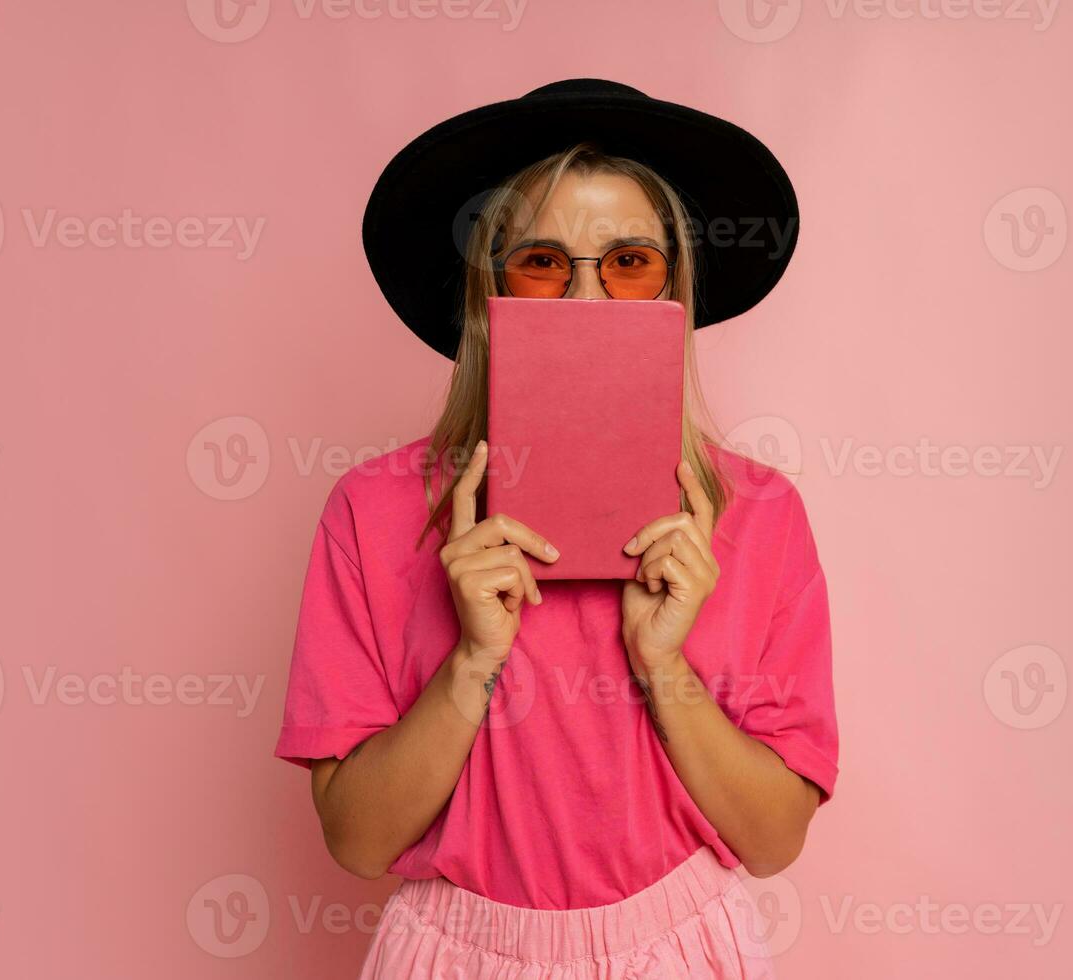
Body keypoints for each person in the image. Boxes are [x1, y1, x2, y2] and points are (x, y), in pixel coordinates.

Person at [275, 78, 839, 979]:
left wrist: (664, 667)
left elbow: (773, 842)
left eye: (630, 263)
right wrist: (471, 659)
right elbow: (357, 842)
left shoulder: (759, 515)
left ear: (676, 293)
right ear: (487, 296)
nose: (587, 299)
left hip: (682, 946)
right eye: (542, 262)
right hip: (455, 949)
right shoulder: (371, 509)